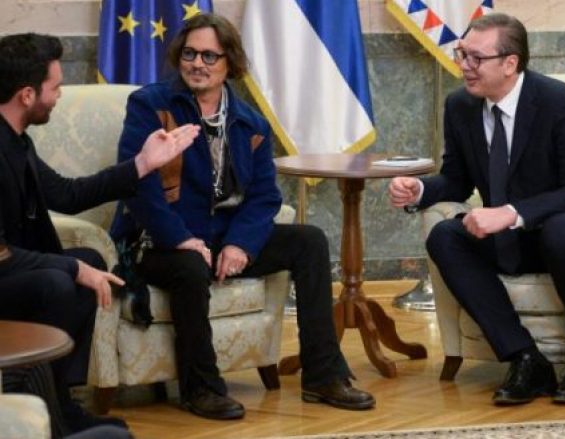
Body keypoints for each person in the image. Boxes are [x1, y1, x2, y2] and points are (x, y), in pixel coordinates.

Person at [109, 13, 375, 420]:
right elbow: (137, 186)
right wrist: (181, 239)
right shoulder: (150, 105)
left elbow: (265, 197)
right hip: (157, 241)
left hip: (221, 237)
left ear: (229, 63)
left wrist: (240, 244)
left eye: (209, 56)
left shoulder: (250, 122)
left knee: (309, 242)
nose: (198, 64)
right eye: (190, 54)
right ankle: (201, 388)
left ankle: (323, 376)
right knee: (190, 266)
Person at [389, 13, 565, 406]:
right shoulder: (460, 106)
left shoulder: (559, 102)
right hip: (521, 238)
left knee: (562, 228)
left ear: (510, 63)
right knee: (446, 236)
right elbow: (456, 180)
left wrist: (511, 212)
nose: (465, 65)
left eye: (476, 58)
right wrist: (420, 189)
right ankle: (525, 359)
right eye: (462, 54)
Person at [0, 33, 199, 436]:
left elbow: (67, 195)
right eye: (55, 88)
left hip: (13, 271)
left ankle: (61, 401)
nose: (59, 96)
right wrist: (72, 268)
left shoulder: (17, 141)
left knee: (89, 263)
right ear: (27, 95)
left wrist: (142, 164)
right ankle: (40, 408)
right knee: (60, 281)